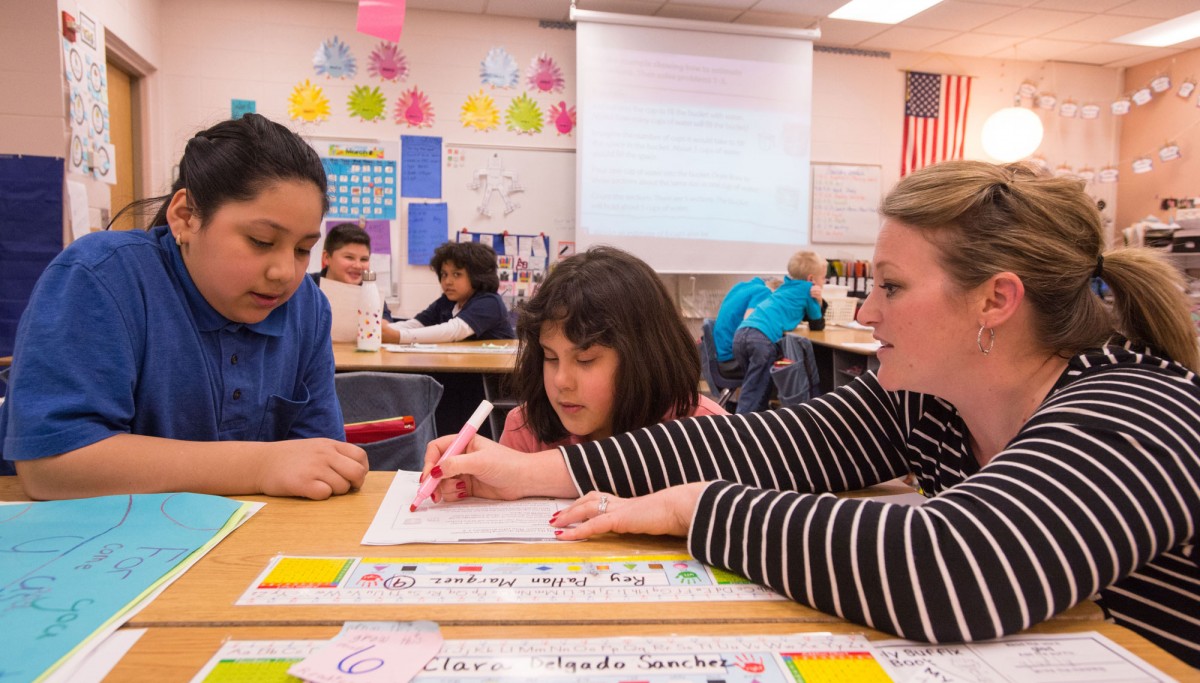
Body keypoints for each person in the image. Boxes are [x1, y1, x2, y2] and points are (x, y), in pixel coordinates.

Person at [421, 161, 1200, 667]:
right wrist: (527, 470)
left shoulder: (1139, 411)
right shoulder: (925, 400)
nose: (865, 309)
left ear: (995, 300)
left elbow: (953, 566)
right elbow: (758, 447)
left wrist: (695, 508)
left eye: (891, 286)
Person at [0, 113, 368, 500]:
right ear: (186, 217)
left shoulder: (306, 308)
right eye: (261, 240)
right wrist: (260, 465)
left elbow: (318, 460)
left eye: (302, 250)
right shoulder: (102, 277)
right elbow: (50, 464)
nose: (283, 272)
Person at [499, 247, 726, 453]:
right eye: (550, 357)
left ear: (644, 358)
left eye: (585, 360)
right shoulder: (526, 429)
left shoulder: (709, 432)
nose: (561, 381)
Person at [732, 250, 826, 414]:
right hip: (762, 339)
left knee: (753, 387)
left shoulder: (784, 286)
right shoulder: (808, 290)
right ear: (811, 279)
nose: (823, 282)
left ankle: (747, 421)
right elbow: (817, 324)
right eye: (823, 278)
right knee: (756, 393)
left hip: (741, 335)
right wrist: (818, 300)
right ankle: (743, 426)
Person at [387, 241, 514, 343]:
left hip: (491, 373)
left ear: (477, 276)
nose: (447, 281)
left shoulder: (489, 302)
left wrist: (398, 336)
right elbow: (416, 324)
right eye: (444, 274)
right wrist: (376, 331)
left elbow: (452, 331)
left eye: (456, 274)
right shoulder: (448, 301)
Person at [310, 222, 398, 342]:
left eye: (364, 259)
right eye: (349, 257)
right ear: (326, 258)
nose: (358, 265)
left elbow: (385, 327)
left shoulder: (371, 293)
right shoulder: (307, 287)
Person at [711, 276, 779, 363]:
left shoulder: (740, 286)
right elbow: (751, 325)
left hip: (722, 351)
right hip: (733, 355)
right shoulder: (764, 291)